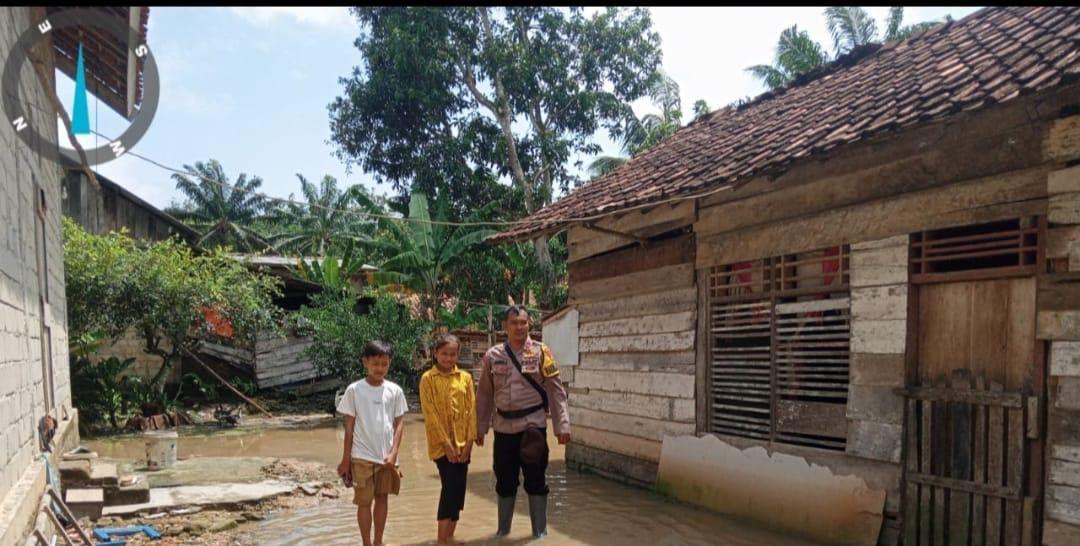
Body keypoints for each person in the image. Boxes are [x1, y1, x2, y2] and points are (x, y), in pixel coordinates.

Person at [476, 305, 571, 539]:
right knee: (504, 479)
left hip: (533, 426)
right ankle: (503, 532)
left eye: (524, 322)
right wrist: (479, 429)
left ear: (529, 324)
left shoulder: (542, 352)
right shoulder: (493, 356)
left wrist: (562, 425)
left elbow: (556, 390)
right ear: (505, 327)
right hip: (503, 428)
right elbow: (485, 394)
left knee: (536, 478)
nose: (520, 327)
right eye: (514, 323)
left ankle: (540, 533)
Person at [336, 340, 408, 546]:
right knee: (364, 502)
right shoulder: (354, 390)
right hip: (362, 457)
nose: (380, 368)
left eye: (384, 364)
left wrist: (394, 453)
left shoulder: (395, 391)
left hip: (386, 457)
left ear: (389, 363)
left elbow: (400, 424)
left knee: (383, 499)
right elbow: (349, 428)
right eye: (375, 364)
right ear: (365, 362)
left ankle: (378, 541)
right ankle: (366, 542)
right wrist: (345, 460)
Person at [419, 334, 477, 546]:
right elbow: (430, 414)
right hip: (442, 446)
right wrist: (446, 444)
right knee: (450, 487)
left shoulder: (465, 378)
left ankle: (450, 536)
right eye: (444, 354)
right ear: (436, 354)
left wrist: (470, 442)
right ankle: (442, 539)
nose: (448, 358)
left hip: (464, 444)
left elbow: (472, 411)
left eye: (453, 354)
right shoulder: (428, 379)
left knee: (460, 489)